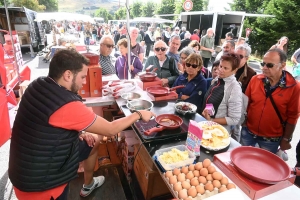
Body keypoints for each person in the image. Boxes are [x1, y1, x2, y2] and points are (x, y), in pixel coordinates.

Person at [8, 49, 155, 200]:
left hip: (24, 168)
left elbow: (45, 124)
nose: (85, 82)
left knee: (94, 140)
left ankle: (88, 183)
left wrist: (80, 132)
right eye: (83, 77)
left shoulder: (38, 85)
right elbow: (111, 129)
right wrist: (139, 114)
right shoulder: (66, 105)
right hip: (41, 185)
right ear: (68, 75)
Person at [240, 49, 300, 154]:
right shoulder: (255, 80)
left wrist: (286, 139)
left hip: (271, 140)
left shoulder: (294, 87)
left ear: (282, 65)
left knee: (263, 168)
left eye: (270, 65)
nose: (264, 68)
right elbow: (245, 104)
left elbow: (293, 116)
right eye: (263, 64)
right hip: (248, 132)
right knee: (241, 159)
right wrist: (244, 123)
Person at [201, 53, 243, 134]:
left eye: (225, 68)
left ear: (234, 70)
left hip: (217, 132)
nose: (221, 70)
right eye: (220, 66)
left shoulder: (234, 88)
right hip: (205, 125)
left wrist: (211, 120)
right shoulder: (216, 79)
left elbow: (234, 119)